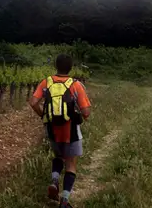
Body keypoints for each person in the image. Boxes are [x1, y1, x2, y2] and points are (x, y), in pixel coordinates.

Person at [29, 54, 92, 208]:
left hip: (52, 129)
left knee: (58, 156)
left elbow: (33, 102)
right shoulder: (75, 85)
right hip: (70, 131)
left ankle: (55, 181)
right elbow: (86, 112)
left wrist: (43, 116)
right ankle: (64, 200)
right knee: (71, 163)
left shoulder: (46, 82)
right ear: (71, 68)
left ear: (55, 66)